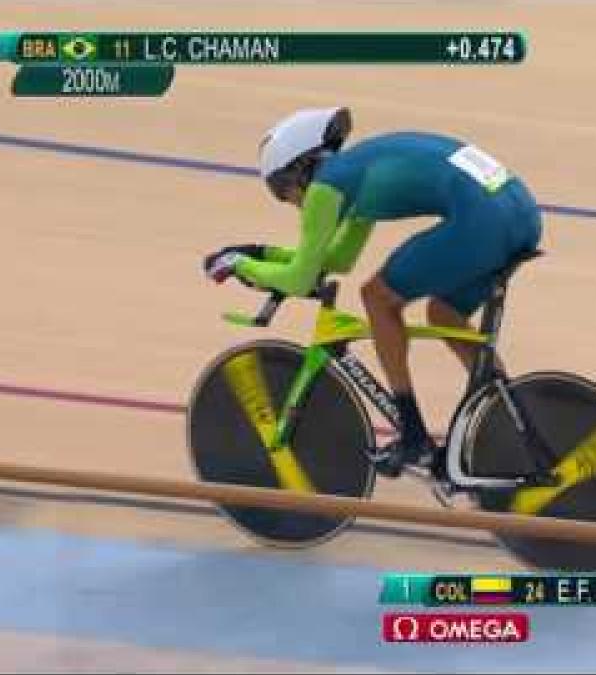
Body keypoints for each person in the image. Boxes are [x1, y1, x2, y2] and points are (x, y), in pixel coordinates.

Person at [203, 107, 542, 476]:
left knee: (377, 298)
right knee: (443, 315)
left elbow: (302, 279)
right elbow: (337, 258)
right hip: (520, 213)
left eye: (283, 190)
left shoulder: (326, 186)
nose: (290, 202)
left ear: (301, 167)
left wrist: (239, 265)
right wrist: (264, 255)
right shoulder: (355, 172)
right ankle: (507, 412)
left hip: (482, 221)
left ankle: (414, 437)